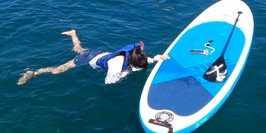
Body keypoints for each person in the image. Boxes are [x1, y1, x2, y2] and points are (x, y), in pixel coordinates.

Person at [18, 30, 170, 85]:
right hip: (89, 60)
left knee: (79, 49)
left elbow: (143, 58)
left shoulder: (136, 52)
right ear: (131, 63)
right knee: (58, 70)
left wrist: (156, 59)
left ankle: (73, 34)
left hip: (99, 53)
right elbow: (109, 82)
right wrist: (126, 73)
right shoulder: (116, 65)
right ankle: (35, 73)